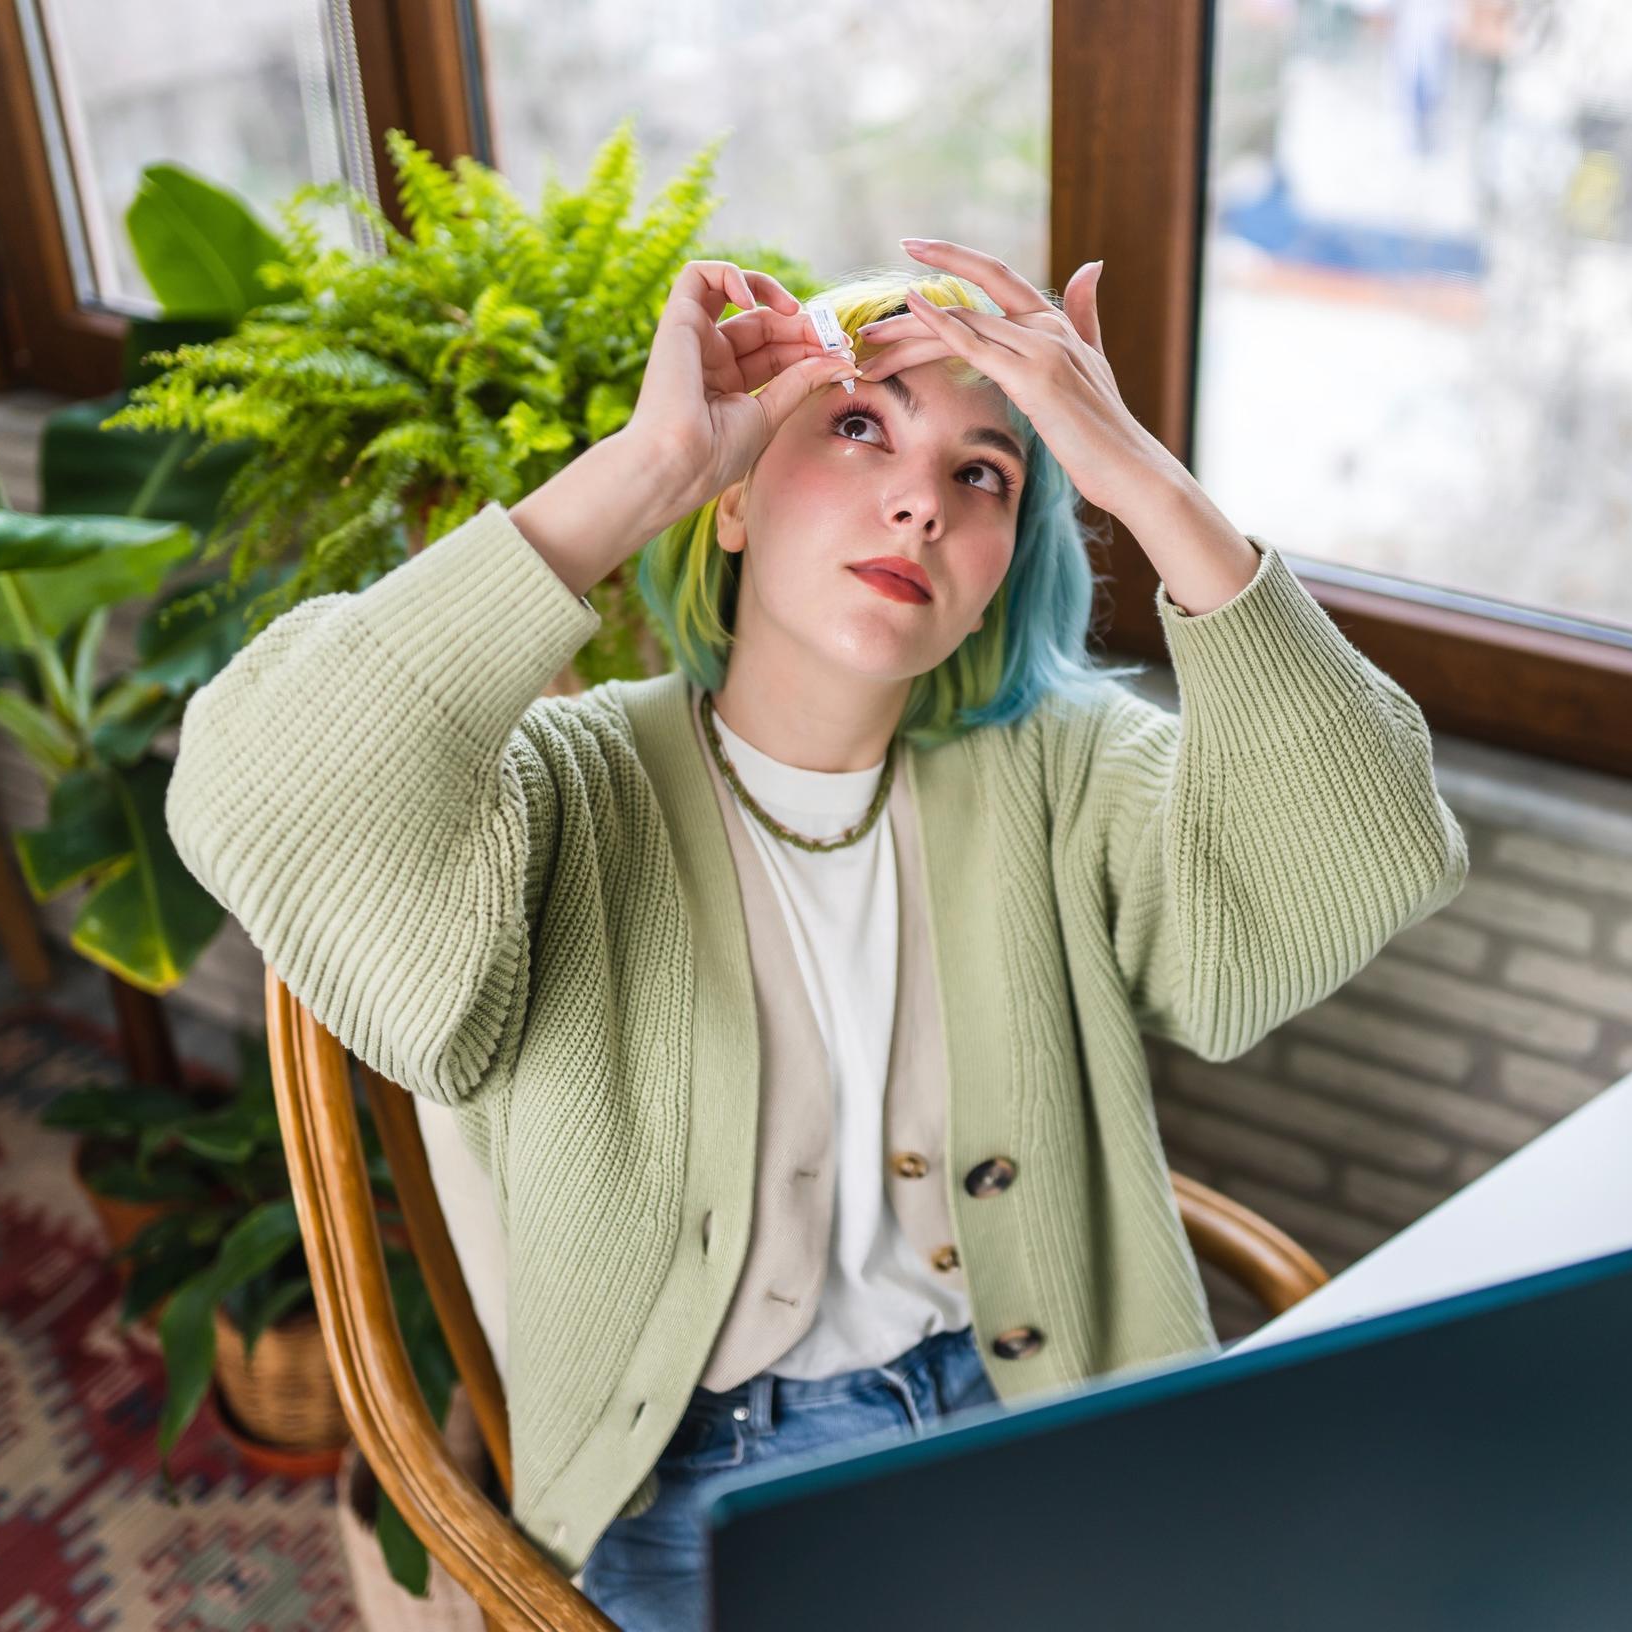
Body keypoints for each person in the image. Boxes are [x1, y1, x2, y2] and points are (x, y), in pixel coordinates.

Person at [165, 238, 1471, 1630]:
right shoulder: (566, 788)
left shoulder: (1061, 769)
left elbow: (1370, 852)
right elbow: (255, 787)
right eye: (858, 425)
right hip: (708, 1493)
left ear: (996, 569)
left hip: (1042, 1418)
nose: (919, 502)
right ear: (731, 505)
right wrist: (650, 466)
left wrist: (1141, 480)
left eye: (986, 473)